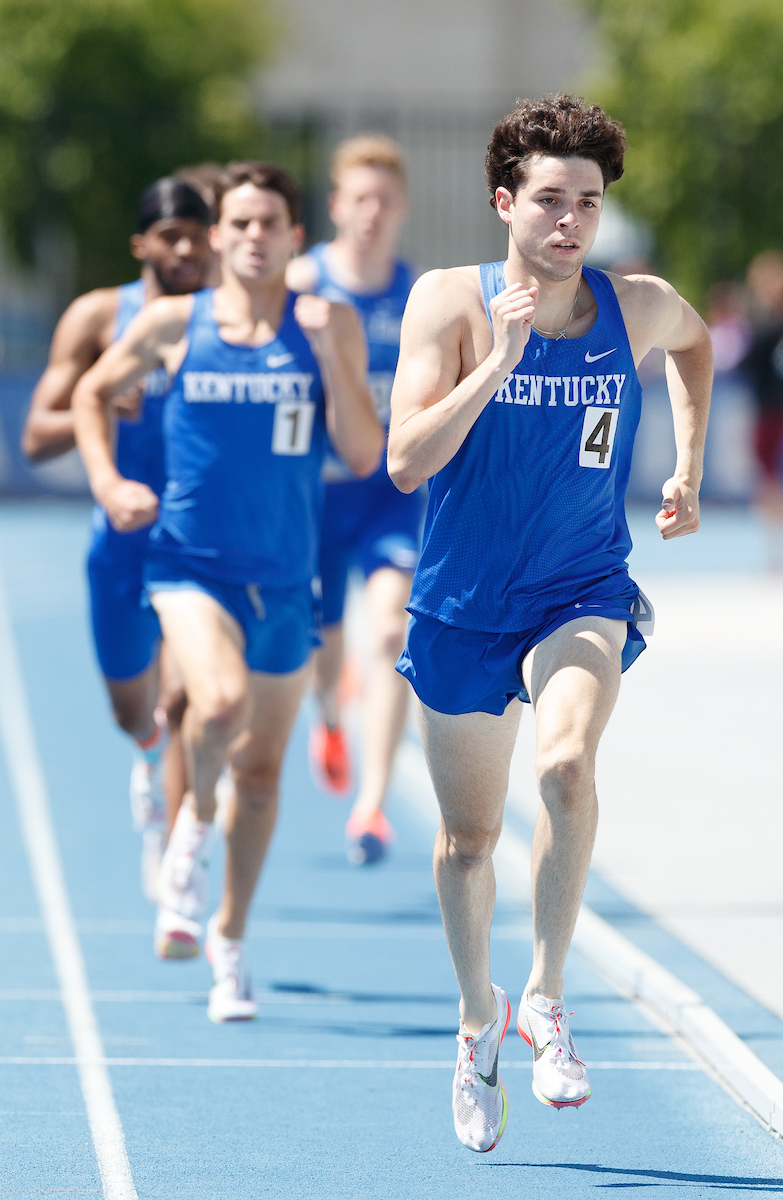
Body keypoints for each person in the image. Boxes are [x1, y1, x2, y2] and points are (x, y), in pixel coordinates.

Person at [387, 94, 711, 1152]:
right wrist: (497, 364)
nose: (570, 221)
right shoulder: (449, 301)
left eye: (587, 202)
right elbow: (403, 463)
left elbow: (696, 346)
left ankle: (546, 994)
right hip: (461, 606)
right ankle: (478, 1022)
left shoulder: (635, 304)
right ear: (502, 202)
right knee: (466, 840)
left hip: (580, 588)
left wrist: (688, 465)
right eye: (547, 201)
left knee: (566, 769)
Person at [72, 161, 383, 1022]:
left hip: (286, 579)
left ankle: (230, 939)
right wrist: (108, 484)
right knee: (215, 703)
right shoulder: (176, 324)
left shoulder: (330, 326)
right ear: (218, 237)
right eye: (237, 223)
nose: (252, 237)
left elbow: (363, 454)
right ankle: (188, 834)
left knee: (261, 771)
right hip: (187, 565)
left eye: (269, 223)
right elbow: (92, 394)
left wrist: (329, 355)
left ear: (293, 236)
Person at [21, 178, 214, 900]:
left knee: (191, 697)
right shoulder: (100, 317)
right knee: (136, 712)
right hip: (124, 541)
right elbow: (35, 435)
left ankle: (177, 849)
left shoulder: (227, 320)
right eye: (172, 235)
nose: (187, 248)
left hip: (200, 544)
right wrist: (95, 407)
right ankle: (147, 755)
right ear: (142, 244)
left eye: (198, 232)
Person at [287, 135, 421, 865]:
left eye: (384, 201)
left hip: (389, 497)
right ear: (336, 206)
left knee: (391, 633)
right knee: (325, 647)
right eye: (358, 199)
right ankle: (329, 716)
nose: (371, 213)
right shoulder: (300, 283)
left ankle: (371, 807)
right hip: (313, 496)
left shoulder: (418, 295)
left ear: (401, 209)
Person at [740, 251, 783, 567]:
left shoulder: (764, 328)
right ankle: (773, 547)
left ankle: (773, 548)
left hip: (770, 411)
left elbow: (746, 366)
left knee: (767, 479)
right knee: (767, 478)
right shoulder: (762, 326)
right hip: (768, 411)